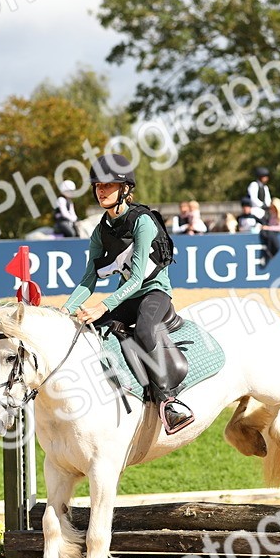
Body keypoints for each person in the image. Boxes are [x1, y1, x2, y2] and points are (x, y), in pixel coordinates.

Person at [64, 154, 194, 434]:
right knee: (87, 330)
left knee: (145, 330)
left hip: (154, 293)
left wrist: (102, 306)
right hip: (126, 297)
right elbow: (89, 279)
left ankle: (169, 402)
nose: (101, 191)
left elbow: (137, 278)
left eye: (108, 185)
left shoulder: (143, 221)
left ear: (124, 189)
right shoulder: (100, 231)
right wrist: (65, 310)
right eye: (97, 186)